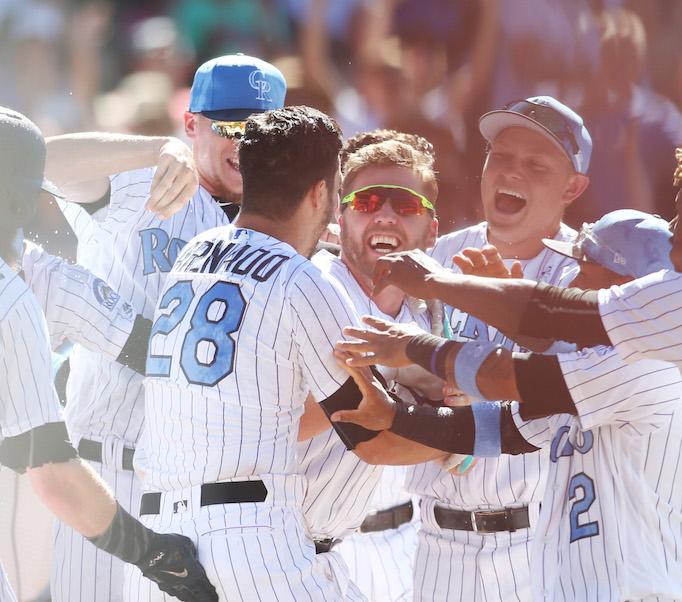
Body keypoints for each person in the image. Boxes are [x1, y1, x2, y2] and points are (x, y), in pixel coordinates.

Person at [336, 135, 682, 600]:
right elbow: (505, 426)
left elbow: (539, 342)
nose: (676, 227)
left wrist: (422, 320)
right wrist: (394, 415)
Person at [332, 210, 682, 600]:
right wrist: (398, 416)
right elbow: (498, 430)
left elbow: (507, 376)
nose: (572, 284)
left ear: (628, 287)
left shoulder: (649, 361)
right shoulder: (597, 362)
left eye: (585, 272)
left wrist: (415, 343)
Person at [127, 105, 400, 601]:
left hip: (156, 546)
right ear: (320, 192)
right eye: (337, 191)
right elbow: (369, 427)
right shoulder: (302, 278)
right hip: (247, 540)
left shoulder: (193, 251)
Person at [42, 53, 286, 602]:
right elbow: (34, 159)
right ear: (192, 124)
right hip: (108, 471)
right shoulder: (152, 184)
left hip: (199, 497)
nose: (245, 142)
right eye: (229, 126)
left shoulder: (284, 229)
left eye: (262, 129)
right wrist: (154, 149)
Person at [0, 107, 216, 602]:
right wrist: (152, 554)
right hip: (59, 484)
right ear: (17, 202)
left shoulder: (39, 276)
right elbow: (51, 470)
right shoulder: (12, 295)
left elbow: (143, 347)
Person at [407, 94, 590, 601]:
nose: (512, 173)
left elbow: (569, 398)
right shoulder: (438, 258)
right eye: (502, 157)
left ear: (573, 186)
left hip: (540, 544)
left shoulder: (585, 275)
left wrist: (477, 397)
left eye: (536, 164)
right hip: (436, 542)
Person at [300, 129, 445, 601]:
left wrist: (460, 433)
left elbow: (461, 454)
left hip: (408, 545)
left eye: (405, 205)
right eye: (366, 202)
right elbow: (288, 424)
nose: (385, 215)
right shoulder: (307, 291)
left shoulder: (437, 312)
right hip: (306, 551)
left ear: (432, 229)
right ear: (337, 218)